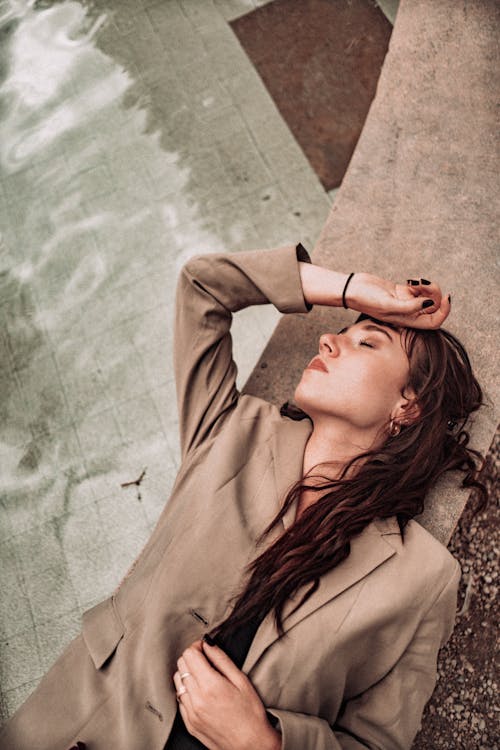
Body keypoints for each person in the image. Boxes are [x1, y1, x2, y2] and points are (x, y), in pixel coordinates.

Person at [0, 243, 484, 750]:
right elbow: (202, 286)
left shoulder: (423, 580)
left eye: (367, 343)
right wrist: (355, 290)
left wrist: (262, 743)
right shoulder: (231, 430)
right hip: (75, 730)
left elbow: (379, 741)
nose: (327, 341)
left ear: (409, 406)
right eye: (339, 333)